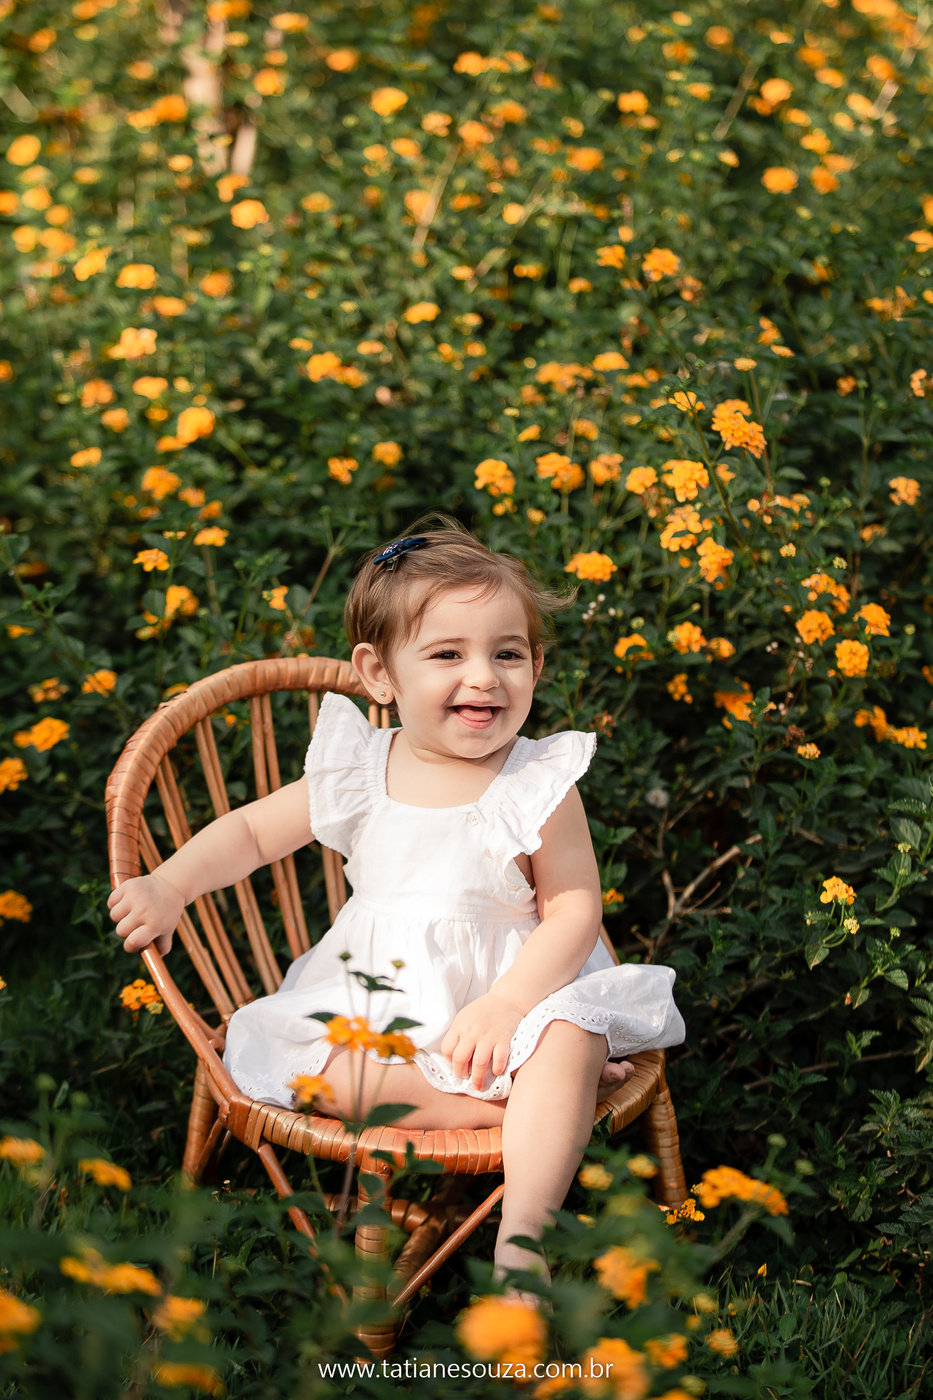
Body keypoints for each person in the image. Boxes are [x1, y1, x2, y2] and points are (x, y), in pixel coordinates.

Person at [109, 524, 685, 1290]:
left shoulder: (537, 782)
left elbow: (575, 911)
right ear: (379, 673)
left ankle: (521, 1243)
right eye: (447, 654)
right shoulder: (359, 770)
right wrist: (171, 884)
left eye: (507, 654)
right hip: (375, 997)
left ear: (536, 666)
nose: (482, 677)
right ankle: (517, 1107)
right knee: (310, 1071)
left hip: (515, 997)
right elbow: (249, 832)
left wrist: (509, 1004)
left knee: (568, 1035)